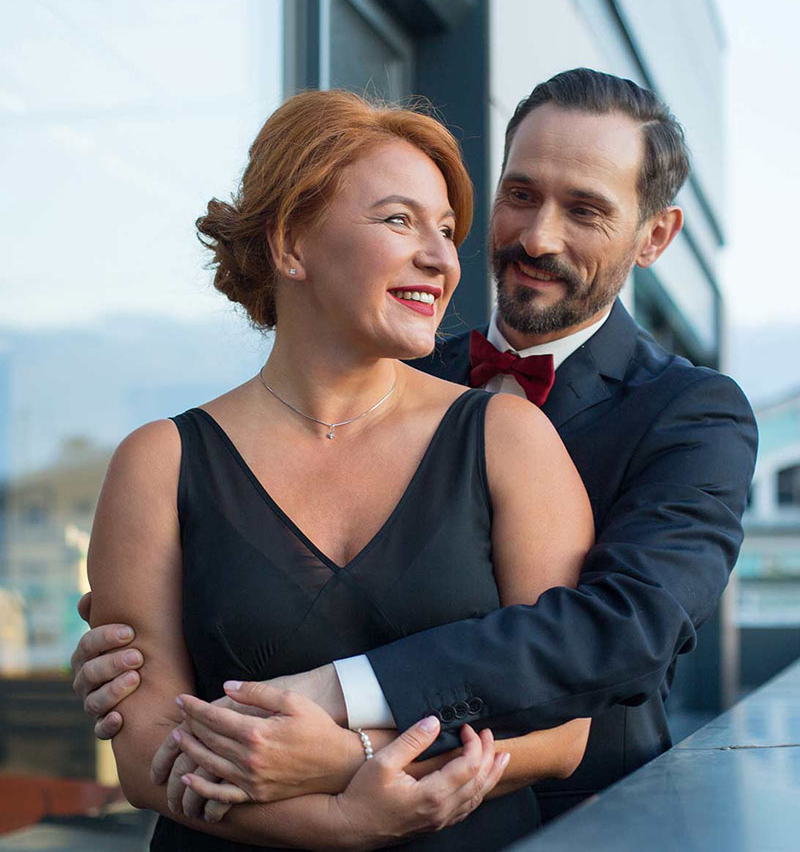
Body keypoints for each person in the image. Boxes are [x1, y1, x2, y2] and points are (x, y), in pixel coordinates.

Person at [74, 69, 758, 823]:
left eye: (586, 209)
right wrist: (158, 617)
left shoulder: (692, 414)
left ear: (654, 236)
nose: (536, 237)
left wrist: (350, 731)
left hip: (570, 825)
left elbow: (621, 627)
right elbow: (171, 704)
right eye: (521, 194)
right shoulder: (380, 355)